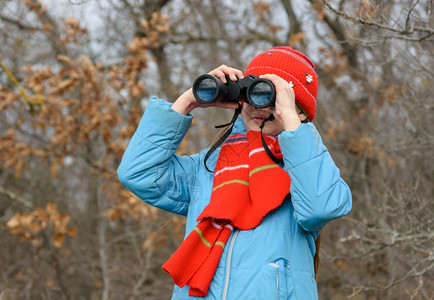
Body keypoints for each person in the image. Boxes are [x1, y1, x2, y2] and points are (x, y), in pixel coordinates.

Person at [117, 46, 352, 300]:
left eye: (271, 96)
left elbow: (322, 206)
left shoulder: (303, 172)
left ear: (300, 111)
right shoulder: (207, 169)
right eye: (253, 93)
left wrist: (289, 116)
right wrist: (188, 101)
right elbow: (138, 173)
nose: (259, 105)